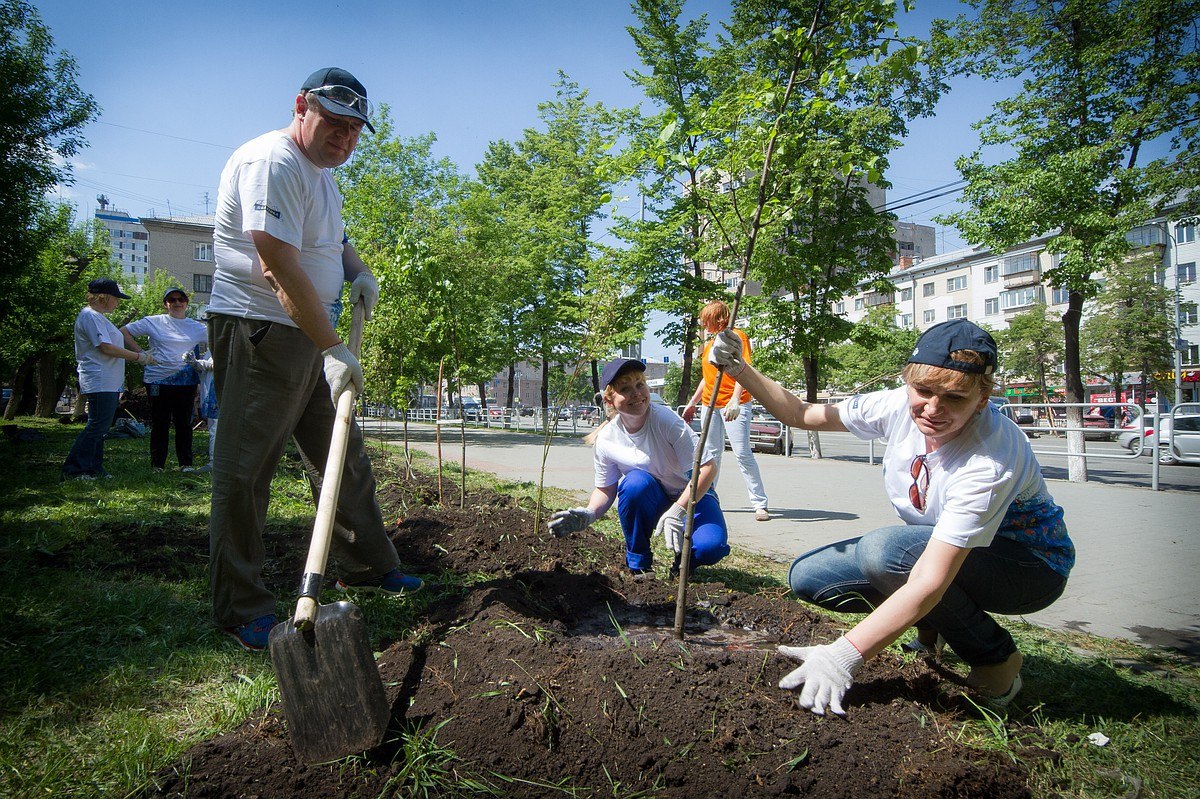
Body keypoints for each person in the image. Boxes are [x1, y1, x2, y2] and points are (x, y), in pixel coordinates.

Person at [708, 319, 1074, 714]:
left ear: (982, 399)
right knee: (810, 577)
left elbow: (932, 579)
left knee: (889, 553)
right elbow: (802, 413)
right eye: (924, 391)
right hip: (949, 550)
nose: (933, 409)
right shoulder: (898, 404)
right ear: (908, 383)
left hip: (1028, 566)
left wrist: (842, 656)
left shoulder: (989, 460)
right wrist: (739, 369)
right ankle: (932, 630)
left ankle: (996, 659)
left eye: (954, 398)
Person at [207, 66, 420, 652]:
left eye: (355, 129)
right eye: (334, 123)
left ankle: (368, 562)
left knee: (342, 457)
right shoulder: (272, 162)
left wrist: (357, 271)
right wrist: (331, 346)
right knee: (246, 469)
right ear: (302, 106)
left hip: (311, 328)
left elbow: (334, 240)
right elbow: (276, 262)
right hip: (263, 329)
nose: (345, 138)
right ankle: (241, 604)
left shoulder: (321, 176)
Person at [547, 358, 730, 576]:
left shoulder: (665, 420)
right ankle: (640, 565)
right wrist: (589, 513)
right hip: (653, 498)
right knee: (634, 484)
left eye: (640, 385)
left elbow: (707, 468)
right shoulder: (607, 438)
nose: (636, 393)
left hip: (693, 495)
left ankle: (684, 563)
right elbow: (606, 489)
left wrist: (678, 512)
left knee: (711, 547)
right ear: (609, 399)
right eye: (625, 389)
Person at [682, 300, 771, 521]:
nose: (703, 324)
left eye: (706, 320)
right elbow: (707, 378)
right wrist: (693, 402)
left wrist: (735, 401)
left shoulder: (736, 336)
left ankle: (759, 503)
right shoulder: (711, 343)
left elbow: (743, 368)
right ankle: (708, 497)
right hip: (709, 404)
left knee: (742, 453)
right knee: (710, 454)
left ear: (717, 317)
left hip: (733, 404)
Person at [62, 278, 156, 480]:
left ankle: (94, 467)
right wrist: (139, 357)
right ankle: (74, 469)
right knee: (97, 426)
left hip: (108, 380)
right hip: (99, 378)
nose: (118, 302)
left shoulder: (98, 317)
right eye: (116, 298)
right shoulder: (90, 316)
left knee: (101, 427)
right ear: (104, 297)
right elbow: (105, 347)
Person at [120, 288, 208, 472]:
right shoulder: (154, 322)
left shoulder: (197, 327)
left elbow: (219, 339)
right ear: (165, 304)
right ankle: (157, 464)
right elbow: (124, 332)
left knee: (184, 423)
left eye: (181, 299)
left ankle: (186, 464)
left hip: (186, 381)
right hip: (157, 380)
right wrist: (141, 354)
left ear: (186, 302)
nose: (177, 303)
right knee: (160, 422)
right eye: (172, 300)